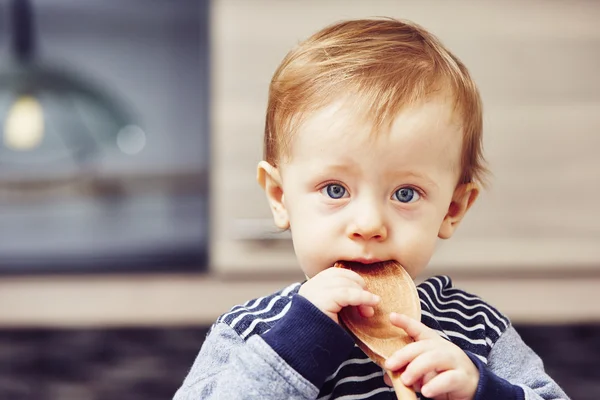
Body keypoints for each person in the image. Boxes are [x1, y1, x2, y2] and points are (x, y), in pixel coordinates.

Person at [174, 18, 569, 400]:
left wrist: (481, 390)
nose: (368, 224)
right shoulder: (251, 331)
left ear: (452, 209)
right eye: (335, 189)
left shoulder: (478, 329)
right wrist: (296, 344)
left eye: (405, 194)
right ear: (280, 197)